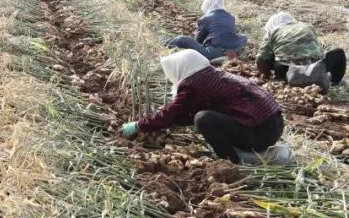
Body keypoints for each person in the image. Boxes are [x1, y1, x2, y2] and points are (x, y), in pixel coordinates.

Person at [120, 50, 283, 164]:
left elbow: (176, 113)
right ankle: (246, 151)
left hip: (261, 133)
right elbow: (184, 113)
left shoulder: (194, 84)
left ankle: (232, 160)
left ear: (181, 67)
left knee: (203, 119)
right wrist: (163, 120)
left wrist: (139, 125)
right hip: (273, 124)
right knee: (203, 117)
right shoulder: (209, 75)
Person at [257, 12, 346, 90]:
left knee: (271, 55)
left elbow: (261, 58)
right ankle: (334, 82)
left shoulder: (272, 32)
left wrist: (266, 75)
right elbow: (318, 48)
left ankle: (283, 79)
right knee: (339, 53)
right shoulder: (307, 26)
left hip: (286, 69)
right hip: (314, 67)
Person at [165, 0, 248, 60]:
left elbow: (198, 41)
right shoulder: (231, 17)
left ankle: (166, 44)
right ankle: (229, 55)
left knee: (181, 39)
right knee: (242, 36)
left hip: (213, 52)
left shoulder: (205, 18)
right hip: (233, 47)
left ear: (207, 5)